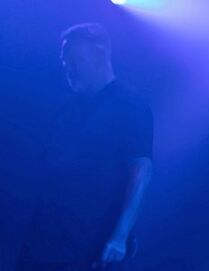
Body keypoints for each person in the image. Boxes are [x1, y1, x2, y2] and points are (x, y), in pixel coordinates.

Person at [17, 23, 153, 271]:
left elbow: (141, 171)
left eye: (75, 59)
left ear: (100, 52)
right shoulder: (65, 110)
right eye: (65, 61)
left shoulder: (131, 106)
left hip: (87, 245)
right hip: (42, 240)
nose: (68, 67)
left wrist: (120, 236)